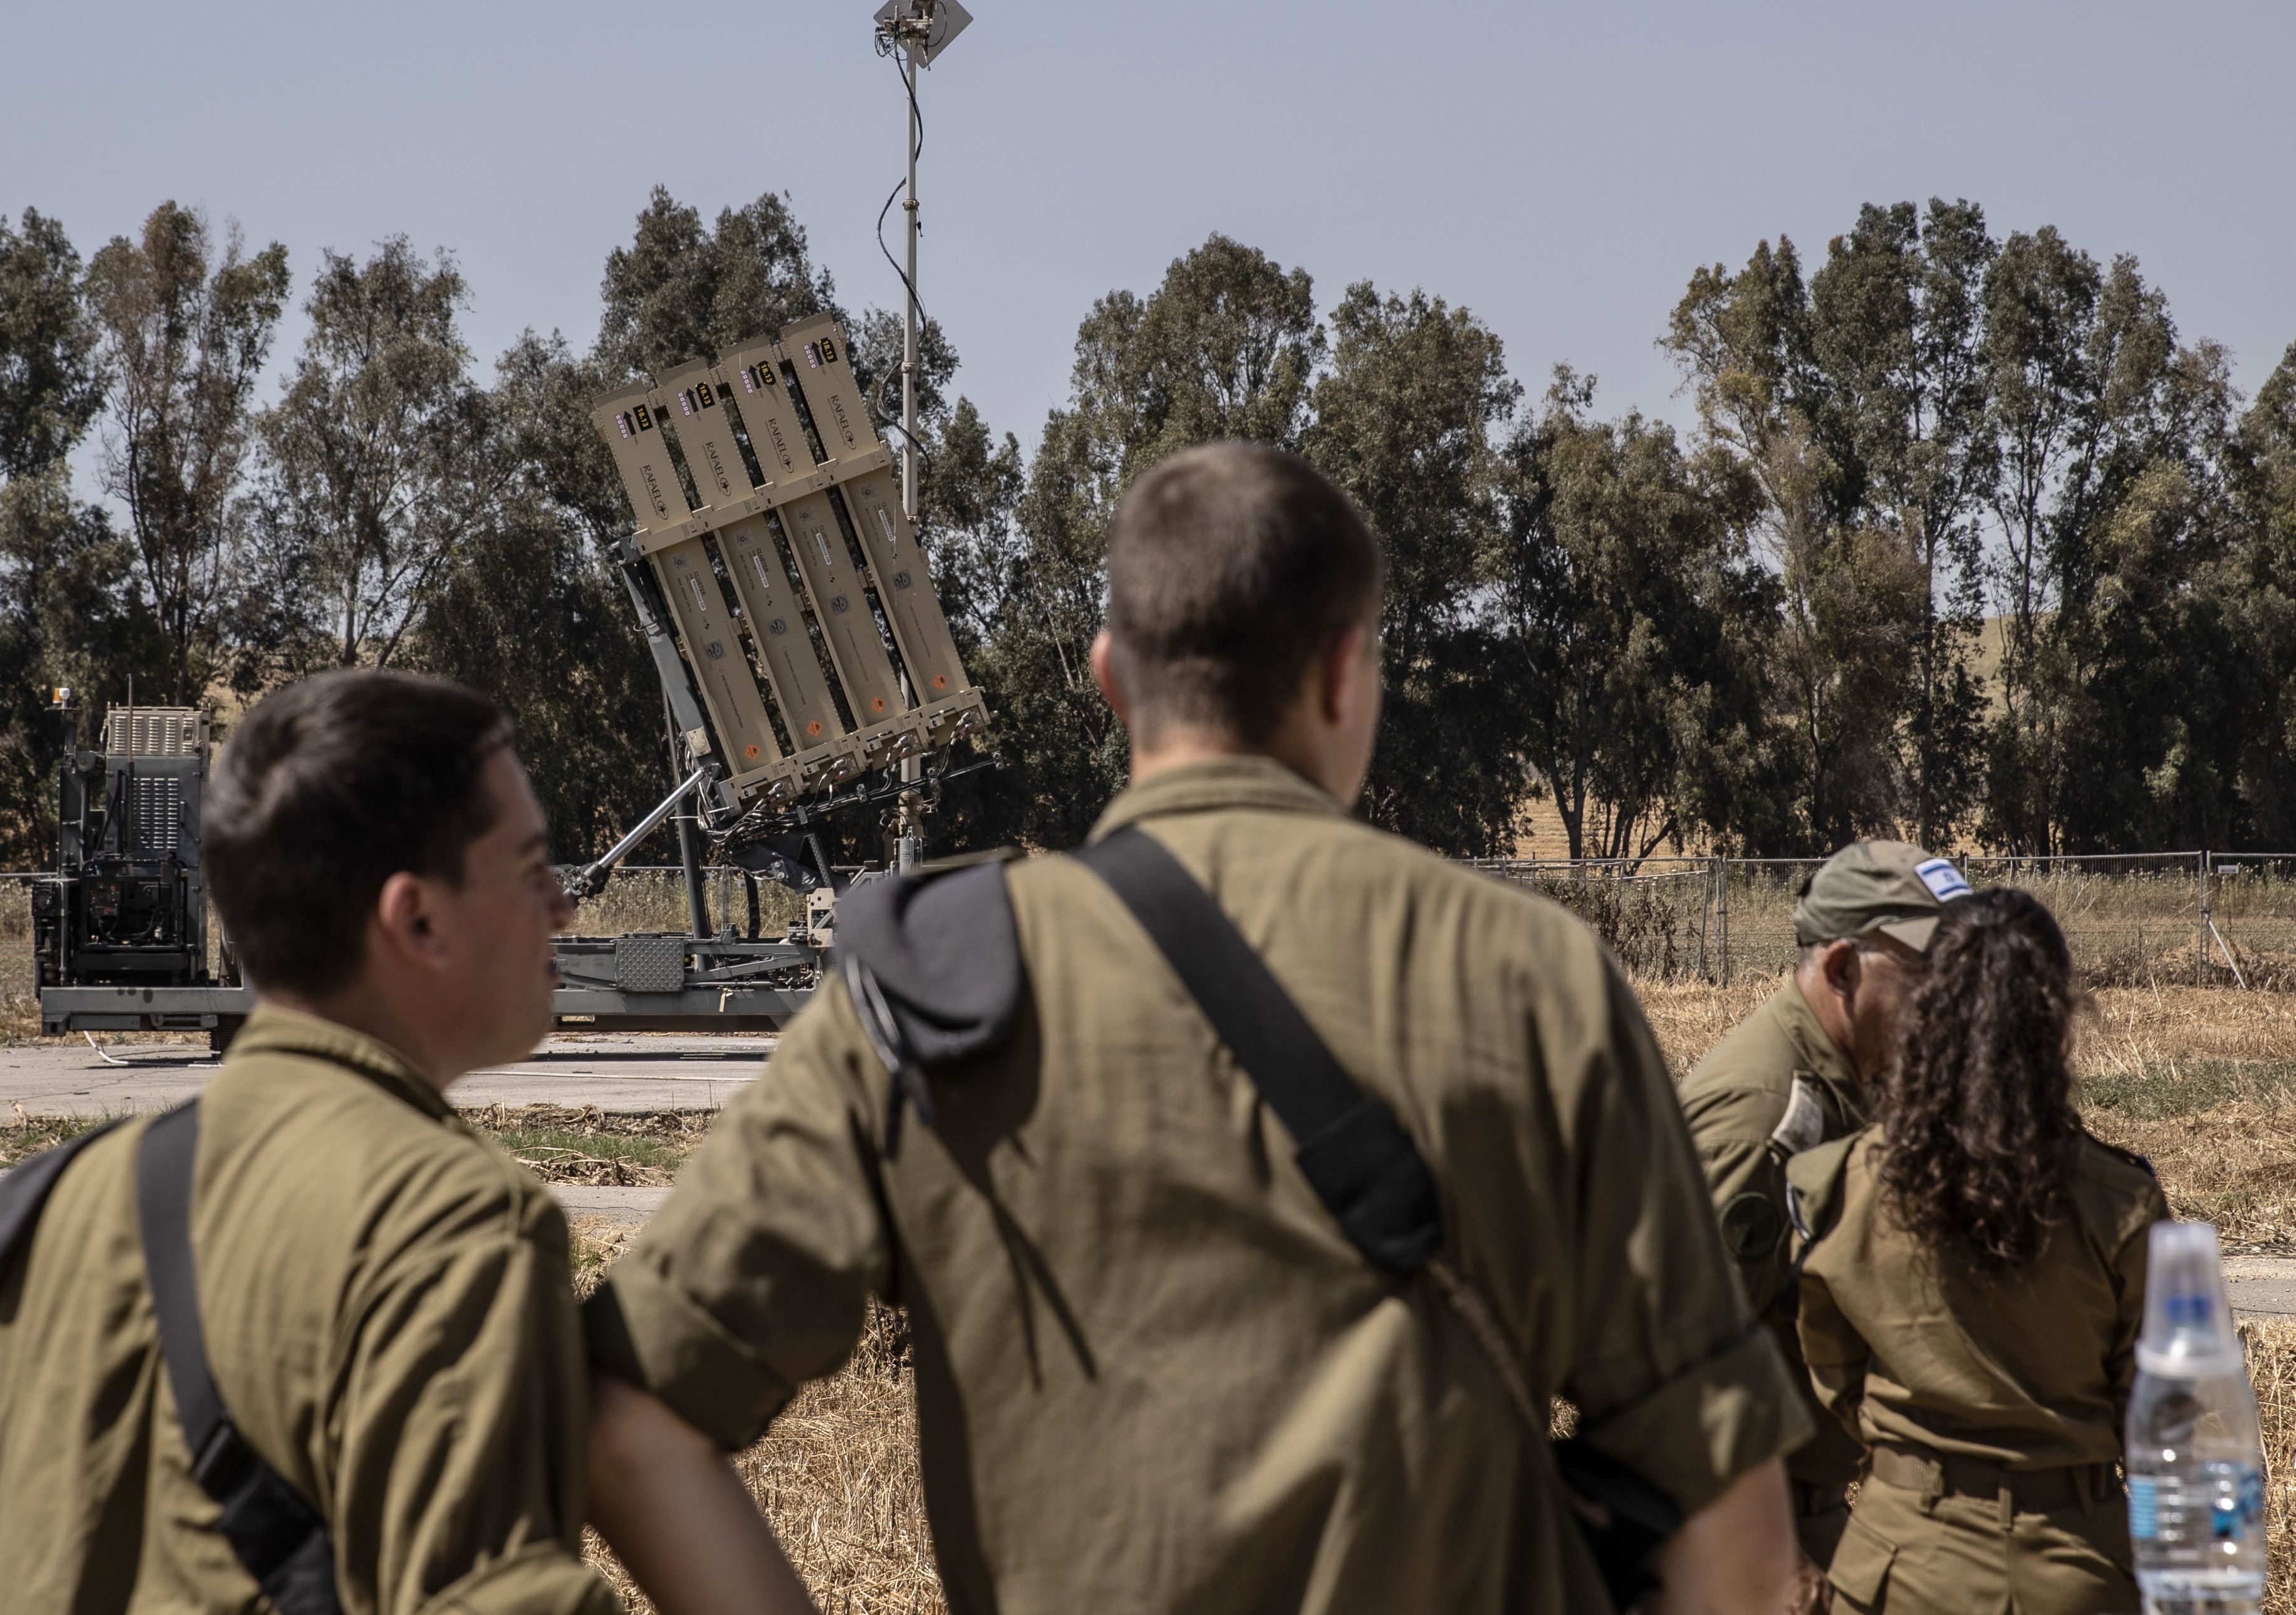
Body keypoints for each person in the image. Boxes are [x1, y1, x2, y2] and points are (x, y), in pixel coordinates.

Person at [585, 442, 1806, 1614]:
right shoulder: (1532, 980)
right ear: (1345, 673)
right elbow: (1730, 1533)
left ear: (1112, 677)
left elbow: (628, 1418)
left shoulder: (943, 986)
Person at [0, 669, 814, 1615]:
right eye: (529, 870)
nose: (561, 908)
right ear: (418, 920)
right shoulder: (448, 1222)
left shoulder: (49, 1209)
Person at [1788, 888, 2169, 1614]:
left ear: (1927, 1013)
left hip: (1900, 1567)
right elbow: (2158, 1421)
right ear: (2055, 1022)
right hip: (2079, 1567)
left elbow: (1834, 1378)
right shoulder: (2122, 1204)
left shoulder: (1840, 1187)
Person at [1679, 838, 1964, 1568]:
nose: (1954, 1004)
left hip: (1798, 1507)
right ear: (1842, 969)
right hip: (1744, 1530)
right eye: (1928, 976)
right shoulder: (1770, 1115)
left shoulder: (1852, 1081)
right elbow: (1677, 1367)